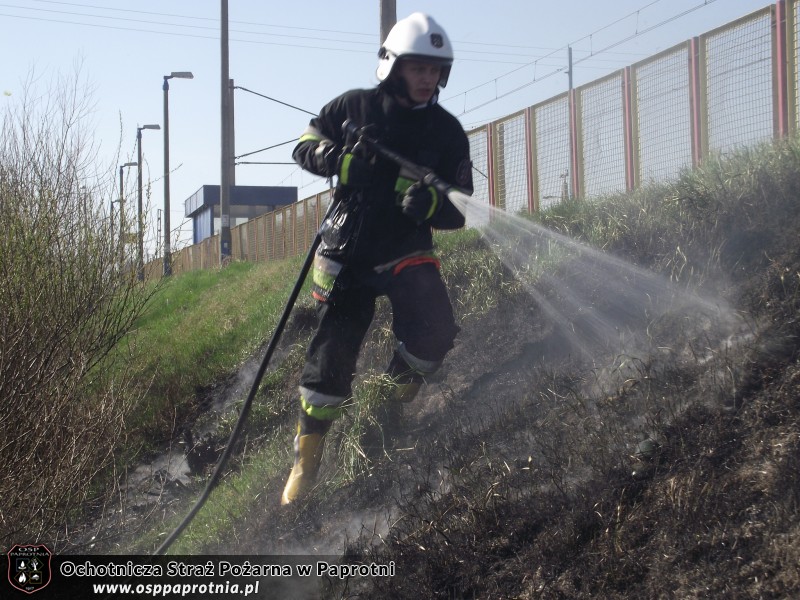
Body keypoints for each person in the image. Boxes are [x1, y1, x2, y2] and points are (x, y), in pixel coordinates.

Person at [281, 12, 473, 506]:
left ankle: (385, 408)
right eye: (418, 67)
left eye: (435, 69)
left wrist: (431, 206)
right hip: (351, 251)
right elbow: (304, 145)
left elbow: (461, 207)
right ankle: (306, 464)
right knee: (331, 360)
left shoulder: (447, 132)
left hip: (406, 250)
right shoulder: (354, 106)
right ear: (393, 65)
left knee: (435, 331)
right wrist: (337, 161)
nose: (427, 77)